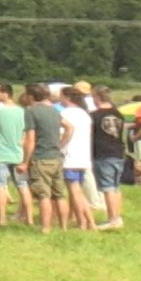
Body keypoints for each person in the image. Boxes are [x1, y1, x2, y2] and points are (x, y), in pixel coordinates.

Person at [0, 85, 30, 227]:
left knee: (0, 186)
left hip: (1, 153)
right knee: (23, 185)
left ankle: (2, 219)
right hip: (18, 154)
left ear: (5, 93)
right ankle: (29, 218)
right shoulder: (22, 111)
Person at [24, 83, 65, 234]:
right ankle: (64, 226)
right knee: (59, 194)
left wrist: (25, 161)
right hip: (56, 156)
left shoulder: (31, 111)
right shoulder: (54, 110)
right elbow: (69, 127)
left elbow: (30, 140)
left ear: (30, 96)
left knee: (43, 195)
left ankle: (46, 227)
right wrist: (61, 144)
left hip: (41, 157)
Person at [88, 85, 126, 230]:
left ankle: (112, 219)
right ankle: (117, 216)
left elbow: (90, 135)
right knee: (116, 187)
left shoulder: (94, 116)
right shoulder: (118, 114)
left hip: (103, 153)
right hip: (118, 152)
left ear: (97, 98)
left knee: (108, 187)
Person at [57, 86, 95, 230]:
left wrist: (60, 146)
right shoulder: (84, 114)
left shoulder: (65, 114)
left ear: (67, 97)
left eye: (61, 96)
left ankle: (83, 222)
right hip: (83, 156)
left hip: (70, 156)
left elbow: (63, 133)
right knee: (78, 189)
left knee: (74, 191)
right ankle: (86, 221)